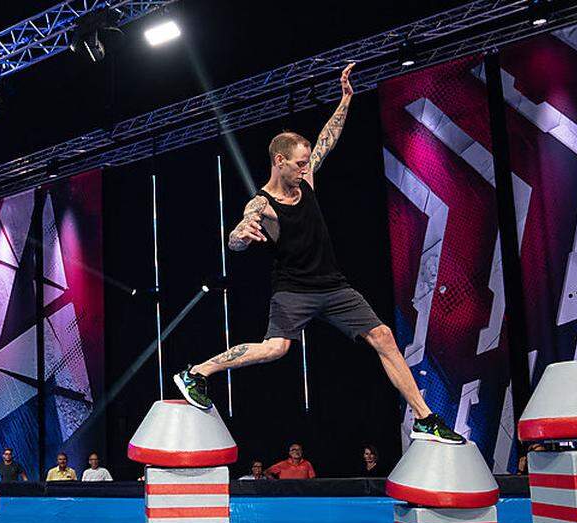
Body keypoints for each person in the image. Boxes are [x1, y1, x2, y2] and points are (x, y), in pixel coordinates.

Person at [171, 63, 463, 446]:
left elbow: (328, 137)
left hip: (334, 286)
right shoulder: (263, 204)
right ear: (279, 161)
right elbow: (237, 237)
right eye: (299, 163)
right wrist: (239, 236)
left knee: (384, 336)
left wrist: (345, 99)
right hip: (294, 290)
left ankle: (425, 419)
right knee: (276, 348)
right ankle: (198, 373)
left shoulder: (306, 180)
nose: (306, 168)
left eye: (307, 162)